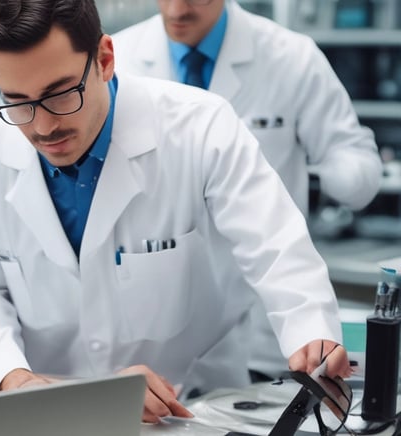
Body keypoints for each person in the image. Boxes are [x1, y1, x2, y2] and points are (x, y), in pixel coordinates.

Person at [0, 0, 354, 423]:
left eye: (60, 94)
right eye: (17, 100)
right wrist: (15, 380)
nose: (43, 127)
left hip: (196, 402)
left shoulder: (200, 128)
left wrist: (311, 333)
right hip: (51, 413)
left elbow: (275, 247)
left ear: (104, 59)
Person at [112, 0, 382, 378]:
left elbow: (358, 166)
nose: (177, 9)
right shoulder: (119, 59)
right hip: (157, 323)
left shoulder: (291, 57)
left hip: (264, 320)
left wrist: (323, 181)